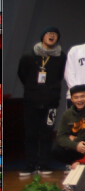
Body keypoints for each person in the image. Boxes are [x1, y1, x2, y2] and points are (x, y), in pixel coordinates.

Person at [18, 26, 67, 176]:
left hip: (51, 103)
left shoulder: (61, 57)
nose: (52, 36)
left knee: (47, 134)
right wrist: (34, 88)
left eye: (55, 34)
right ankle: (30, 165)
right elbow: (22, 74)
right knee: (31, 134)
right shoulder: (29, 56)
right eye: (49, 33)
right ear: (43, 36)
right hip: (31, 102)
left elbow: (60, 76)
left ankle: (44, 164)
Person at [52, 85, 85, 169]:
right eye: (76, 97)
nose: (79, 100)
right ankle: (74, 165)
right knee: (55, 148)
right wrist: (75, 145)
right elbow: (60, 135)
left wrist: (76, 140)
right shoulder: (67, 114)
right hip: (77, 147)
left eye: (82, 96)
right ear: (72, 99)